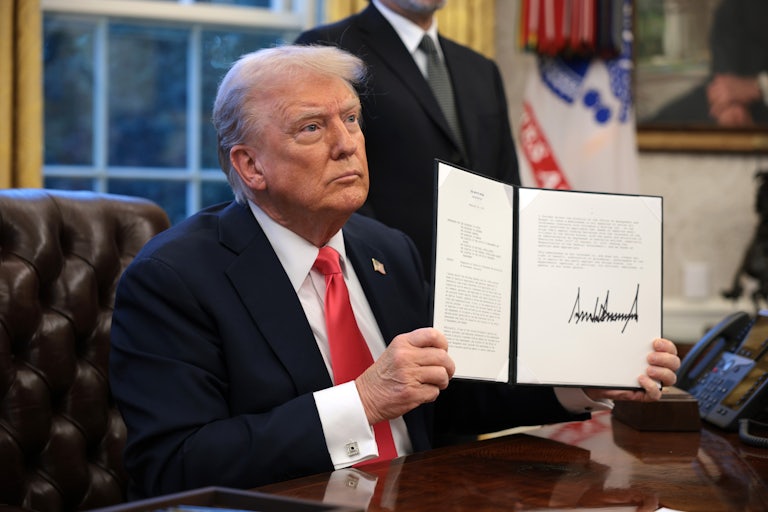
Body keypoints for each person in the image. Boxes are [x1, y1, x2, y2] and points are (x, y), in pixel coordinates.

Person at [109, 44, 681, 500]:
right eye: (311, 128)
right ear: (250, 165)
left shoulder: (387, 249)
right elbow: (175, 466)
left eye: (351, 119)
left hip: (422, 495)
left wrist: (579, 383)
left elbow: (448, 395)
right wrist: (361, 401)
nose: (347, 145)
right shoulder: (174, 278)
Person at [295, 0, 520, 279]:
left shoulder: (481, 69)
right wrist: (384, 265)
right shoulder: (328, 48)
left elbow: (507, 179)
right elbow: (324, 178)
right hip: (382, 276)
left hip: (483, 277)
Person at [650, 0, 768, 126]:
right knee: (653, 127)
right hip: (724, 94)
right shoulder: (733, 9)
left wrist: (760, 87)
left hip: (757, 100)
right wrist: (730, 103)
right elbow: (726, 56)